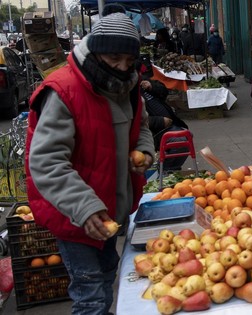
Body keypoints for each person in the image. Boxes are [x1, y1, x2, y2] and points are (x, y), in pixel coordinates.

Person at [25, 12, 155, 315]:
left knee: (109, 273)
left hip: (111, 210)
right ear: (95, 50)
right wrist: (84, 207)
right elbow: (46, 161)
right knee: (91, 297)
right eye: (113, 57)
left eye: (129, 59)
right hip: (74, 216)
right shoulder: (63, 91)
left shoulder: (128, 85)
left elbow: (142, 127)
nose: (123, 67)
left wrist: (145, 152)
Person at [138, 57, 189, 171]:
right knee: (181, 142)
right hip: (154, 131)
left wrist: (152, 87)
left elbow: (164, 92)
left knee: (185, 138)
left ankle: (170, 169)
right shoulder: (128, 93)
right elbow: (134, 120)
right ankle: (167, 170)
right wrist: (160, 121)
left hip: (170, 125)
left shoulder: (144, 83)